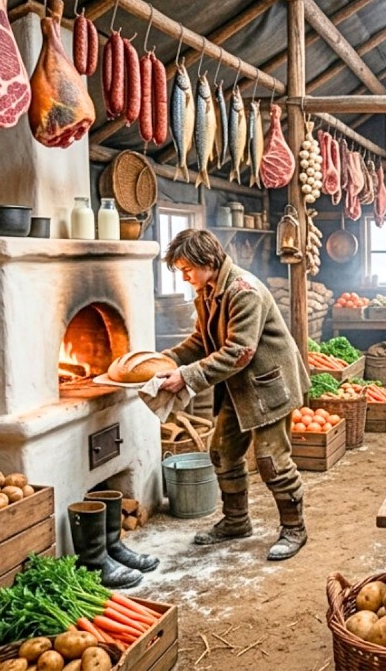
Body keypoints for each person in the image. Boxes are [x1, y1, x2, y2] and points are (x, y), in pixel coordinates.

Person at [155, 229, 310, 561]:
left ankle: (294, 528)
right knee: (222, 454)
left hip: (268, 386)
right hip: (237, 388)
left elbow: (240, 351)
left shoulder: (243, 291)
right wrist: (168, 360)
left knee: (271, 461)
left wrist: (186, 376)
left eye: (187, 269)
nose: (184, 277)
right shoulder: (208, 291)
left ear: (208, 261)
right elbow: (201, 340)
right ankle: (237, 521)